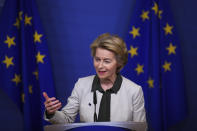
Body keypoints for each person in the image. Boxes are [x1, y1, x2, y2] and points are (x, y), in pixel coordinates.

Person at [43, 33, 146, 124]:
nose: (100, 66)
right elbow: (67, 119)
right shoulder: (81, 85)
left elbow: (140, 128)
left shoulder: (134, 91)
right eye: (97, 59)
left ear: (118, 62)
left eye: (106, 61)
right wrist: (51, 113)